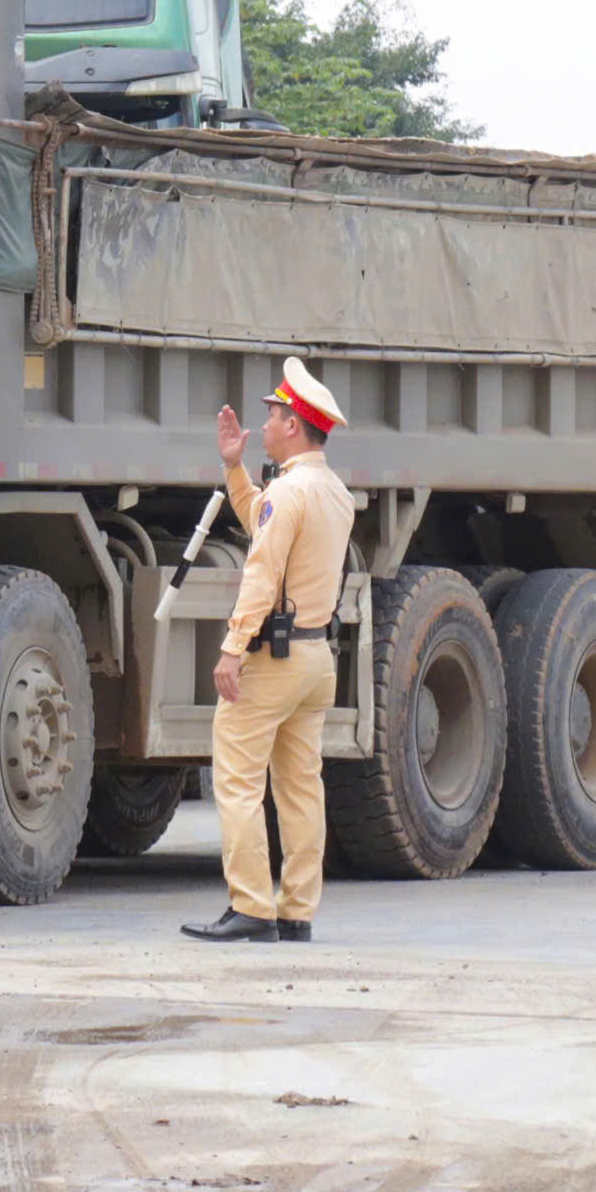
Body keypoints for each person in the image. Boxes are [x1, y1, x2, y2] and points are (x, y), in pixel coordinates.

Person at [183, 356, 355, 943]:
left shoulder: (290, 492)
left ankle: (252, 906)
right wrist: (236, 470)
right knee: (302, 787)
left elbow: (261, 570)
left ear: (297, 425)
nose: (268, 425)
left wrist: (232, 648)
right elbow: (263, 519)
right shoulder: (333, 493)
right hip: (314, 660)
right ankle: (297, 910)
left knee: (236, 778)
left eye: (276, 415)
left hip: (273, 661)